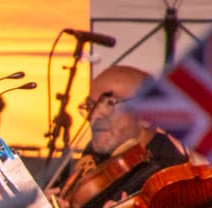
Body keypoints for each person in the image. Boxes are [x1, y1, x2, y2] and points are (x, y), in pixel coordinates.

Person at [46, 65, 191, 208]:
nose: (94, 116)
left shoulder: (168, 178)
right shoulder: (98, 150)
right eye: (91, 105)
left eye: (110, 104)